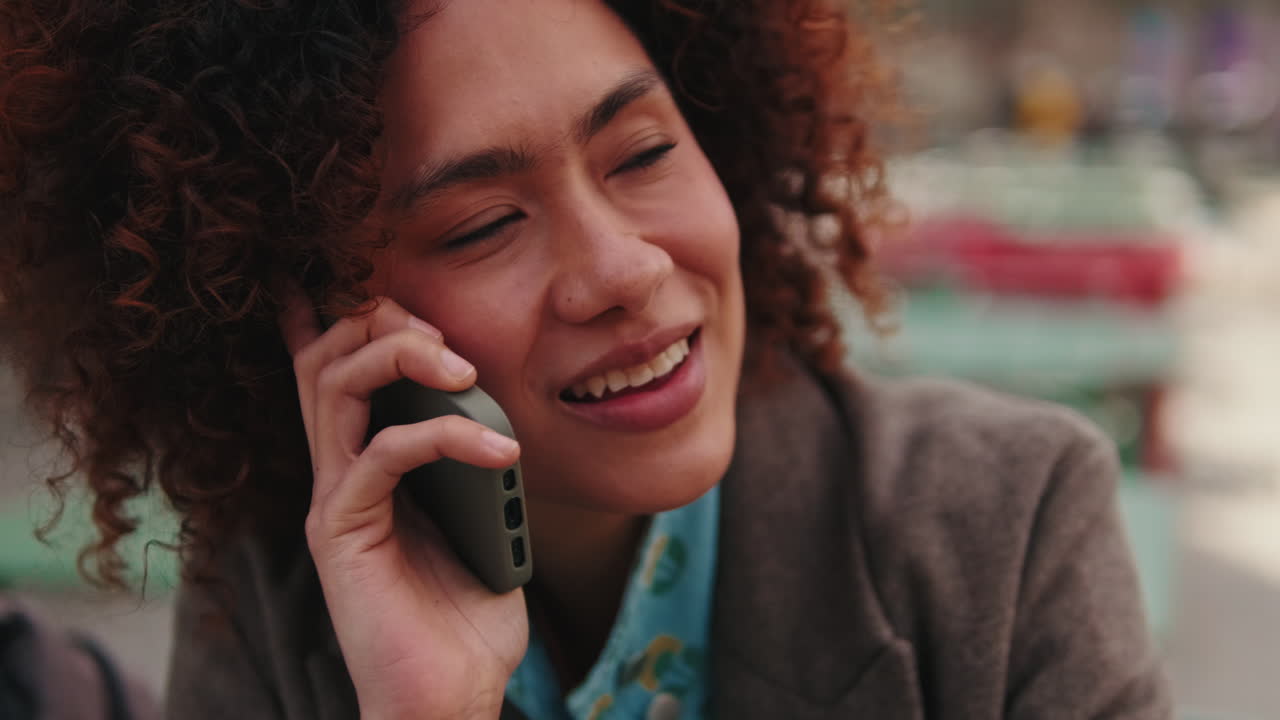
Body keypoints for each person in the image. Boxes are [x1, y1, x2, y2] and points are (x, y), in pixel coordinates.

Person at [0, 0, 1171, 718]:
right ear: (317, 326)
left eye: (643, 151)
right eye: (480, 225)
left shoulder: (1003, 522)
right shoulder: (272, 594)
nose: (619, 267)